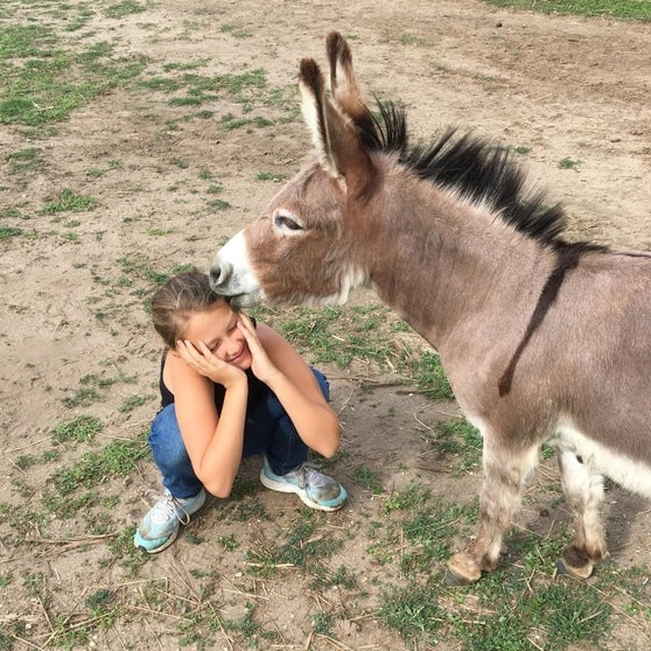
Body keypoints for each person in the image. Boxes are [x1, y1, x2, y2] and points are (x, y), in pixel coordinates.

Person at [134, 270, 347, 553]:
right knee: (172, 431)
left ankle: (285, 467)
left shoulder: (262, 338)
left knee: (309, 385)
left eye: (233, 325)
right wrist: (236, 386)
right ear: (181, 351)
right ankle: (184, 493)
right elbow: (219, 484)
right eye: (213, 346)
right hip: (208, 455)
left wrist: (272, 374)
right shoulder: (185, 367)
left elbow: (328, 443)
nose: (234, 345)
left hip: (255, 427)